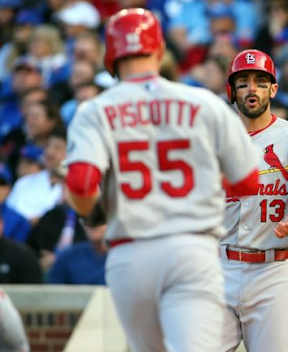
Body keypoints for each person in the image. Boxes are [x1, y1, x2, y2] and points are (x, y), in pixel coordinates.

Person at [64, 8, 260, 352]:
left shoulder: (93, 110)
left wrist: (92, 212)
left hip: (130, 253)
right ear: (158, 50)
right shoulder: (204, 102)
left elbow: (81, 184)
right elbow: (248, 182)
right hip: (191, 248)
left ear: (111, 55)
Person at [219, 49, 288, 352]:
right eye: (243, 82)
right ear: (232, 90)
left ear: (273, 89)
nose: (251, 88)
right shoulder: (215, 139)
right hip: (219, 266)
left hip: (272, 271)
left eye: (260, 81)